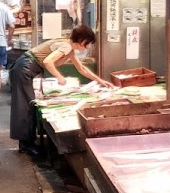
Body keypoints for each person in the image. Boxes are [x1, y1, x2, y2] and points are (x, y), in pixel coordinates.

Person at [10, 25, 113, 156]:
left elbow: (81, 69)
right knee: (25, 106)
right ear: (82, 40)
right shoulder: (67, 46)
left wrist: (100, 81)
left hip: (24, 68)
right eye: (87, 43)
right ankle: (26, 145)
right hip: (24, 69)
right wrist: (59, 77)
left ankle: (27, 143)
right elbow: (48, 62)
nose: (87, 47)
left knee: (26, 104)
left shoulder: (69, 47)